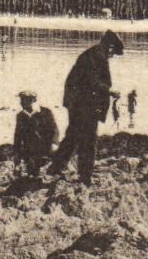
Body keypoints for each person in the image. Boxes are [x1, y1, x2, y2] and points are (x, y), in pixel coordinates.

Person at [47, 30, 124, 185]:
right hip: (82, 104)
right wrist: (109, 91)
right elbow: (91, 82)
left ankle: (56, 167)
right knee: (88, 140)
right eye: (112, 52)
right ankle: (85, 176)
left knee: (73, 136)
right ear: (109, 46)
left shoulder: (96, 54)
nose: (112, 56)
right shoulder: (94, 57)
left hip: (80, 102)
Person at [14, 91, 50, 176]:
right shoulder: (20, 116)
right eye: (21, 100)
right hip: (27, 146)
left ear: (32, 101)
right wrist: (16, 152)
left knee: (37, 164)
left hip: (40, 145)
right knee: (30, 164)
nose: (21, 103)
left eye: (24, 100)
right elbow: (18, 135)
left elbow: (49, 130)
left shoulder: (41, 114)